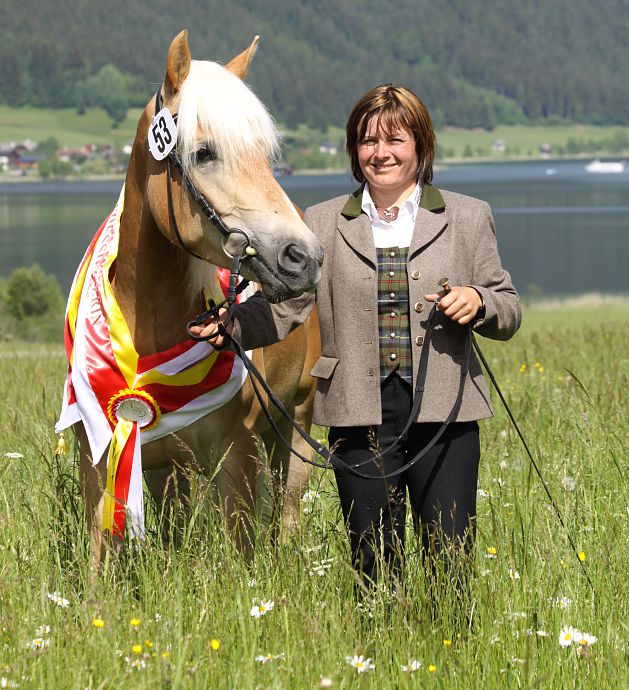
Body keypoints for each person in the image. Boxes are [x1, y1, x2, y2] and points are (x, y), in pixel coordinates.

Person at [191, 84, 521, 594]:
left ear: (421, 147)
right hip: (355, 413)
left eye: (395, 140)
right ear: (354, 150)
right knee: (373, 569)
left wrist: (479, 301)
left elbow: (509, 307)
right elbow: (289, 306)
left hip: (447, 415)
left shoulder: (468, 216)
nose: (380, 153)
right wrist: (232, 325)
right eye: (368, 142)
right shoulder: (320, 221)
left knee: (450, 567)